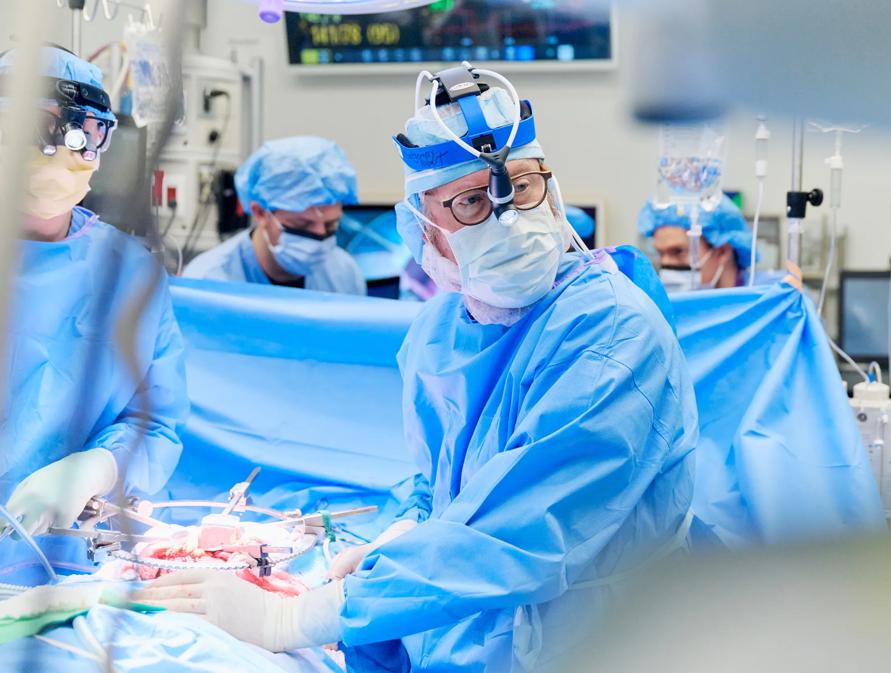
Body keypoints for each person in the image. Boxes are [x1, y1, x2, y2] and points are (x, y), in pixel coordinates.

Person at [137, 64, 698, 672]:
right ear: (422, 228)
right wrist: (402, 531)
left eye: (524, 185)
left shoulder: (611, 333)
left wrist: (295, 617)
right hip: (473, 632)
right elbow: (443, 486)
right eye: (471, 201)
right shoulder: (442, 334)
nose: (508, 216)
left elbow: (522, 531)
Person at [0, 47, 188, 581]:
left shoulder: (128, 272)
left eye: (85, 135)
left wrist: (96, 468)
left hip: (77, 558)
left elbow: (155, 422)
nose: (65, 154)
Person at [184, 136, 366, 294]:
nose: (319, 236)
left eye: (330, 225)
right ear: (260, 212)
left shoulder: (344, 274)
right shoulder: (208, 283)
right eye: (301, 225)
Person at [638, 194, 755, 294]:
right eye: (661, 254)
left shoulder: (761, 306)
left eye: (678, 251)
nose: (666, 263)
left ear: (722, 252)